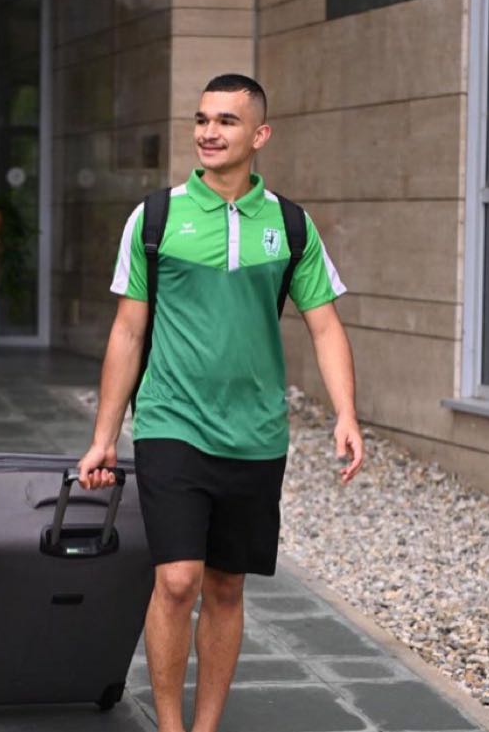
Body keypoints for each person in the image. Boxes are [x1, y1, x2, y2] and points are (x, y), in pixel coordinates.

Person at [77, 73, 365, 732]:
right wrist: (104, 435)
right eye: (202, 119)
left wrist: (346, 413)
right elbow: (128, 331)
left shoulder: (290, 224)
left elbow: (325, 326)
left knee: (227, 586)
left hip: (256, 433)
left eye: (226, 121)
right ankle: (171, 726)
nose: (209, 132)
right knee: (178, 579)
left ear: (260, 135)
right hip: (172, 422)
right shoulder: (156, 218)